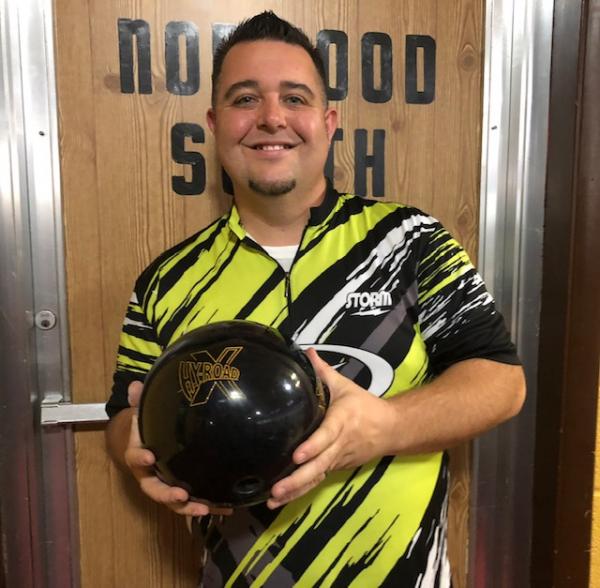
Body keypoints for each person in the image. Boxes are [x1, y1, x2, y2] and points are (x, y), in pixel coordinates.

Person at [105, 11, 525, 587]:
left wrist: (385, 427)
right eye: (245, 99)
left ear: (329, 123)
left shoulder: (409, 240)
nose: (271, 118)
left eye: (294, 98)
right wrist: (135, 447)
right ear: (215, 124)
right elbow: (122, 413)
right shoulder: (165, 279)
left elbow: (501, 382)